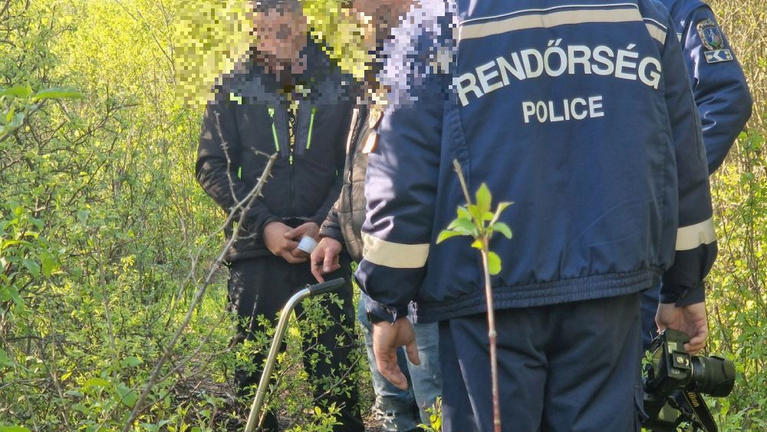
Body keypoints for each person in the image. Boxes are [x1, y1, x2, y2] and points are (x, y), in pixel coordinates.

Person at [355, 0, 718, 431]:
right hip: (606, 292)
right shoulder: (642, 14)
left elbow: (403, 174)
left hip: (486, 297)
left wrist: (387, 301)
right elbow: (683, 160)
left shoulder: (437, 21)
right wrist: (683, 286)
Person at [195, 0, 363, 430]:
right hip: (254, 255)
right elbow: (210, 166)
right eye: (266, 22)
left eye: (285, 20)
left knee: (337, 387)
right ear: (253, 25)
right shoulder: (231, 86)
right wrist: (264, 225)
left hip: (324, 251)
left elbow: (356, 164)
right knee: (251, 387)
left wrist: (328, 223)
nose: (277, 32)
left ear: (303, 20)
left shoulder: (341, 83)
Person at [310, 3, 442, 430]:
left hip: (427, 289)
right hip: (377, 282)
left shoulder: (431, 67)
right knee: (394, 413)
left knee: (436, 411)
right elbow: (362, 175)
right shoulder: (374, 78)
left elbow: (419, 181)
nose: (350, 13)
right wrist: (333, 228)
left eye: (357, 5)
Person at [640, 0, 752, 349]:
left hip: (659, 237)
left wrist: (670, 176)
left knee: (657, 364)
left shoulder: (679, 10)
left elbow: (727, 96)